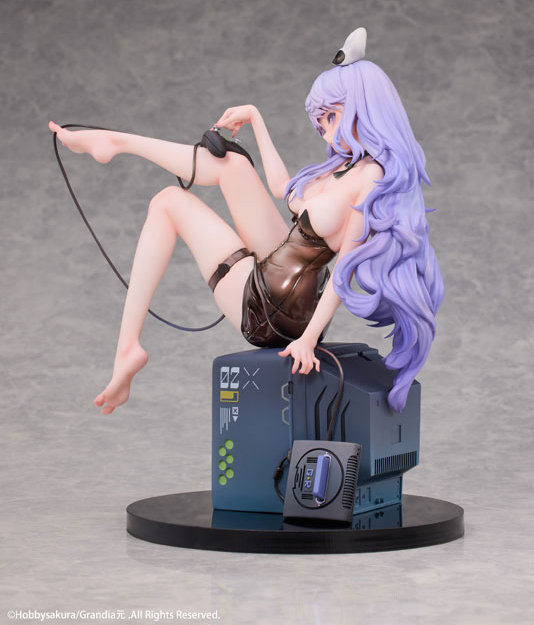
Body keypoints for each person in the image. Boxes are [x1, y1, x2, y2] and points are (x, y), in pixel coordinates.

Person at [48, 46, 443, 417]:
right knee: (234, 164)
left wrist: (308, 340)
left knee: (168, 202)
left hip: (275, 310)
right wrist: (256, 119)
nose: (324, 130)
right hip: (282, 272)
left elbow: (344, 270)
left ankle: (127, 350)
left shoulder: (372, 180)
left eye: (332, 117)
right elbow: (282, 188)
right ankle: (117, 142)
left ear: (364, 109)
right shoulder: (342, 166)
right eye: (320, 121)